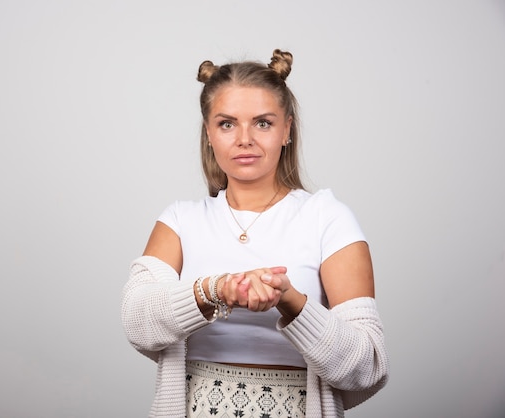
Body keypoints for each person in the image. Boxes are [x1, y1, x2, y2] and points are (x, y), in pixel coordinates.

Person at [121, 49, 389, 418]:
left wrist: (289, 299)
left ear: (287, 131)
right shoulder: (179, 221)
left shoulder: (328, 218)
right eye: (227, 124)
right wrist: (214, 290)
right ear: (209, 134)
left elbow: (365, 367)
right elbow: (138, 323)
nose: (244, 139)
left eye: (262, 123)